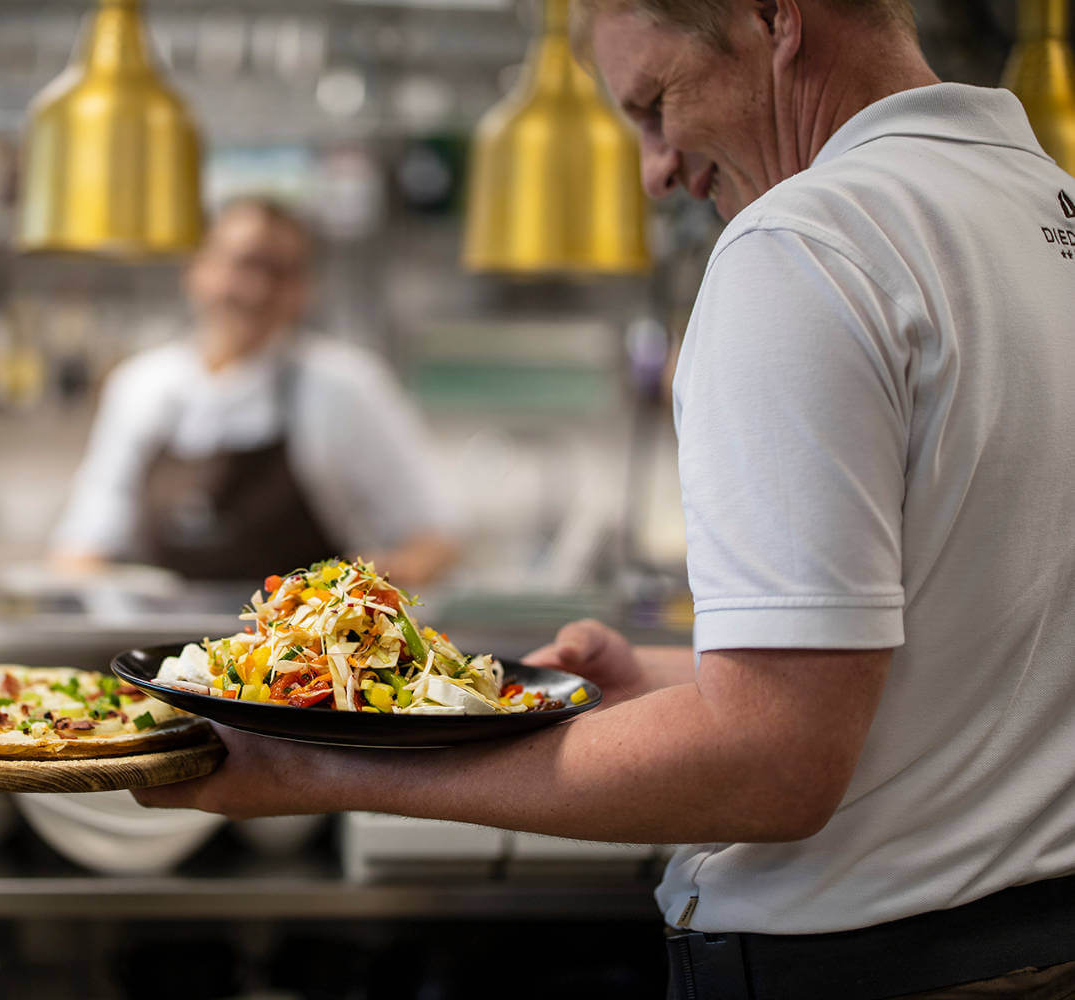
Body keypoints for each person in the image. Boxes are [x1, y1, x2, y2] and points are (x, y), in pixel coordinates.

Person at [136, 1, 1075, 996]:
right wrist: (675, 681)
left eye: (657, 102)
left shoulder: (803, 247)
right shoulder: (1043, 206)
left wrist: (321, 772)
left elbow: (774, 759)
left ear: (774, 18)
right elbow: (982, 625)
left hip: (863, 964)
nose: (656, 168)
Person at [48, 196, 457, 587]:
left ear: (303, 290)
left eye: (279, 271)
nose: (256, 289)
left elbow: (434, 540)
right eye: (243, 265)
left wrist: (383, 580)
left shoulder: (345, 387)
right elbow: (85, 538)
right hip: (157, 650)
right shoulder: (141, 385)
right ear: (197, 269)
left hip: (300, 653)